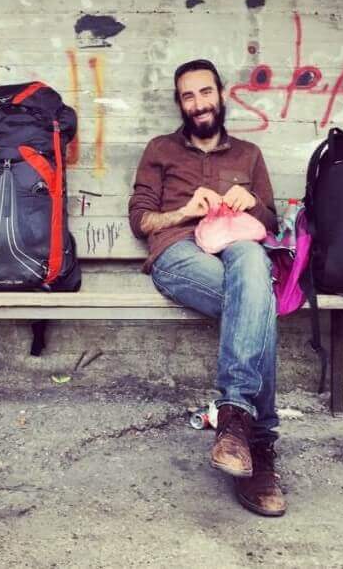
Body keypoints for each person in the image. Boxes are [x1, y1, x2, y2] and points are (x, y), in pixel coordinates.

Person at [127, 58, 286, 517]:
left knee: (253, 266)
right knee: (258, 307)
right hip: (178, 255)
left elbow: (270, 224)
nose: (198, 103)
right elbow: (141, 220)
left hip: (238, 255)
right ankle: (261, 452)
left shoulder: (249, 155)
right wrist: (185, 212)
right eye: (188, 96)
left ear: (221, 94)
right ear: (180, 104)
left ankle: (234, 420)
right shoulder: (161, 150)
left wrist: (252, 202)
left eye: (205, 92)